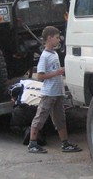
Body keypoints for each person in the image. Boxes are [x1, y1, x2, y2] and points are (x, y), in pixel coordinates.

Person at [27, 26, 81, 154]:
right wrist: (57, 72)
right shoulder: (44, 56)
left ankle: (65, 143)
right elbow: (40, 76)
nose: (59, 40)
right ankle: (32, 143)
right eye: (57, 38)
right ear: (49, 38)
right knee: (41, 116)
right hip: (49, 93)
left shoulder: (55, 54)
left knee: (60, 118)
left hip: (58, 92)